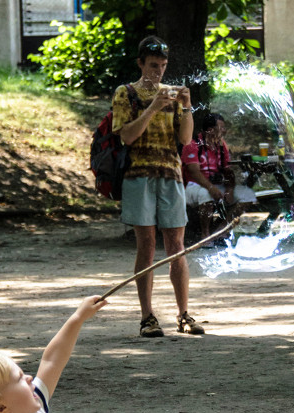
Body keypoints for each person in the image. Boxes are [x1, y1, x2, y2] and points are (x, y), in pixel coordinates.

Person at [112, 35, 204, 338]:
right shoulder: (126, 94)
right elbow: (127, 136)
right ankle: (147, 316)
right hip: (139, 176)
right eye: (153, 65)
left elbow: (186, 139)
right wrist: (152, 107)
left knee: (177, 247)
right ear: (141, 63)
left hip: (171, 175)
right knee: (147, 246)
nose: (159, 72)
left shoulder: (173, 95)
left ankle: (183, 314)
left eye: (163, 66)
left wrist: (187, 107)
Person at [182, 113, 257, 241]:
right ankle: (205, 236)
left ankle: (220, 231)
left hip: (215, 186)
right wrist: (211, 188)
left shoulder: (221, 146)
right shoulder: (192, 144)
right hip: (192, 186)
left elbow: (227, 170)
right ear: (210, 130)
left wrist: (230, 188)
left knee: (247, 195)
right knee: (206, 195)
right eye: (221, 128)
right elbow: (194, 172)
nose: (224, 131)